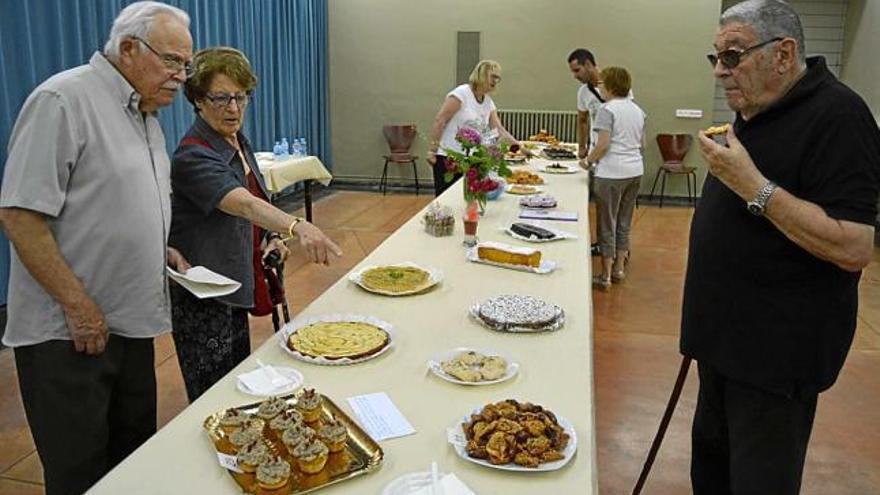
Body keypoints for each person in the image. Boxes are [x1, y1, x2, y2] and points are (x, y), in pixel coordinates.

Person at [682, 1, 880, 493]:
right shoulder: (753, 109)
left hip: (775, 359)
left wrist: (753, 186)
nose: (721, 72)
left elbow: (854, 245)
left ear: (784, 53)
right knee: (710, 476)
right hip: (723, 343)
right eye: (716, 58)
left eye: (733, 55)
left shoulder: (840, 116)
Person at [0, 2, 193, 494]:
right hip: (70, 334)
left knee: (131, 462)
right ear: (129, 49)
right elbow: (21, 215)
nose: (180, 76)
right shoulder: (63, 101)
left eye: (186, 65)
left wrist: (158, 248)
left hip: (130, 323)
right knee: (80, 474)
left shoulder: (146, 113)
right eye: (172, 61)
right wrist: (78, 306)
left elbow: (117, 203)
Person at [169, 47, 342, 402]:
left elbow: (254, 202)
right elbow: (244, 204)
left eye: (240, 96)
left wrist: (271, 237)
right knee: (212, 393)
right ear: (198, 100)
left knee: (235, 376)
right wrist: (299, 227)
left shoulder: (236, 140)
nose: (233, 108)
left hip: (232, 282)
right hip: (205, 291)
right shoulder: (193, 154)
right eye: (220, 98)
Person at [585, 67, 646, 291]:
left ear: (610, 87)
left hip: (611, 173)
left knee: (606, 223)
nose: (599, 87)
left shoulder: (606, 110)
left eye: (601, 84)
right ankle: (620, 267)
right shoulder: (638, 110)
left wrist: (587, 162)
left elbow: (602, 145)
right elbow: (643, 144)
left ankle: (606, 275)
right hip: (634, 171)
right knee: (624, 221)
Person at [427, 59, 520, 197]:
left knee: (469, 201)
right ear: (482, 74)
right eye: (493, 76)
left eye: (498, 78)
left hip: (472, 160)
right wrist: (432, 150)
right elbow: (440, 120)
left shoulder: (488, 101)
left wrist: (519, 146)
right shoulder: (461, 93)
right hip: (449, 158)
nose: (495, 81)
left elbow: (498, 129)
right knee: (447, 200)